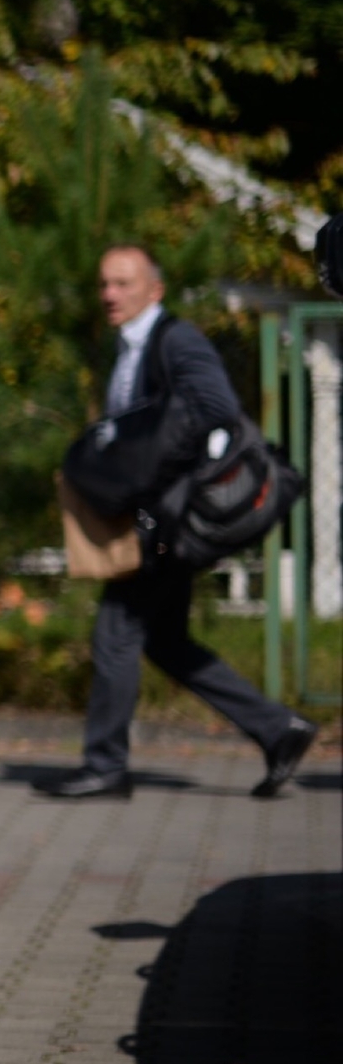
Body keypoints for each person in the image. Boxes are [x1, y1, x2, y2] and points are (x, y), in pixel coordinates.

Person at [41, 245, 318, 799]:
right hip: (155, 519)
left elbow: (214, 407)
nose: (109, 295)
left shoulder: (176, 340)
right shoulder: (127, 350)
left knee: (116, 633)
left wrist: (144, 477)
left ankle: (105, 765)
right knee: (164, 641)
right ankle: (277, 728)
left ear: (154, 290)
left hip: (170, 523)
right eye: (104, 284)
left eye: (122, 283)